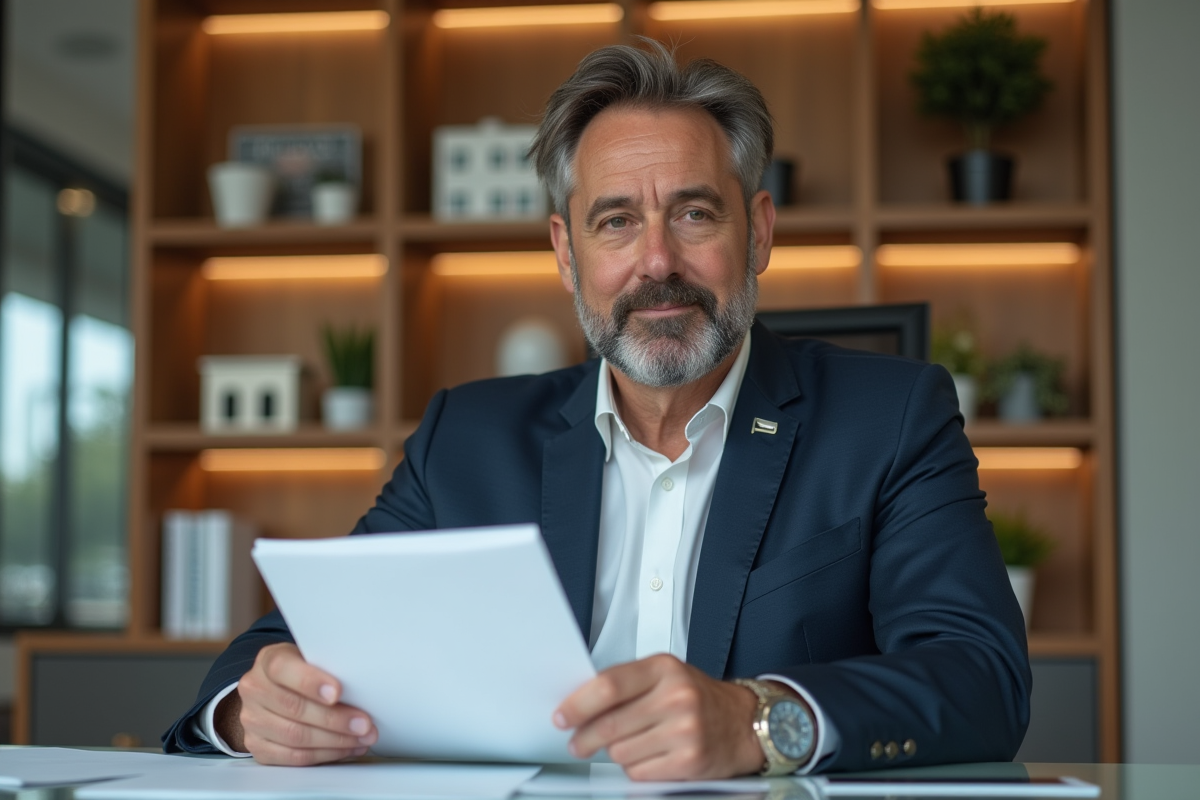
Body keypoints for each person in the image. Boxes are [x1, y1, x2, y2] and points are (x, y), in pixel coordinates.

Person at [163, 40, 1030, 778]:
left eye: (695, 213)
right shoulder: (464, 440)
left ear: (759, 231)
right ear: (565, 252)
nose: (657, 262)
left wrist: (759, 721)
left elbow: (980, 677)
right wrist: (250, 709)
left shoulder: (890, 419)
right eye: (615, 222)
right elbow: (289, 641)